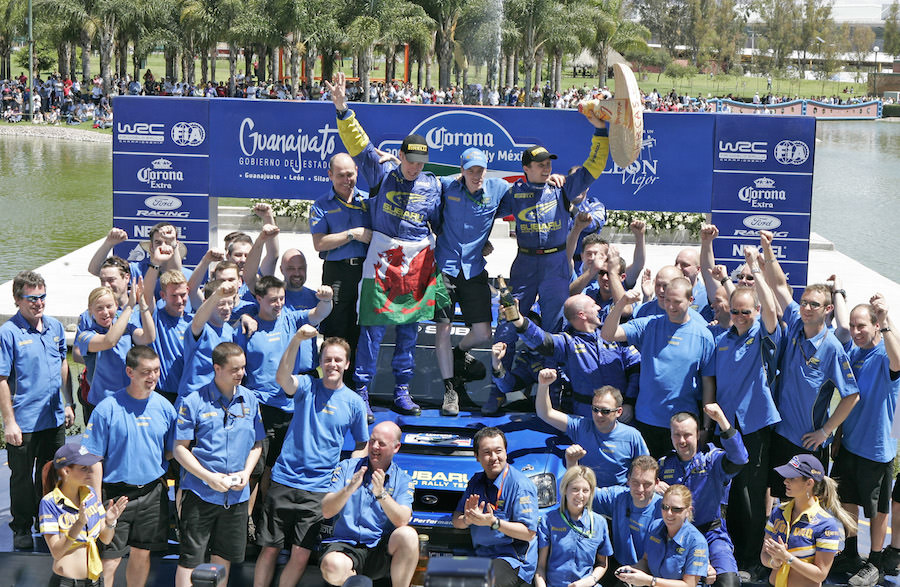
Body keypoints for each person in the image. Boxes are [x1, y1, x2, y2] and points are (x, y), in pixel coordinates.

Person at [327, 71, 443, 417]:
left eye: (419, 163)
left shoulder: (433, 185)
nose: (413, 168)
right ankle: (361, 387)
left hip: (418, 261)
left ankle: (402, 390)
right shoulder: (382, 173)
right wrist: (343, 110)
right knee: (373, 329)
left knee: (409, 329)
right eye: (409, 161)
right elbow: (360, 144)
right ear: (401, 156)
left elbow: (442, 222)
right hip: (383, 258)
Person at [492, 110, 611, 377]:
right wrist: (482, 243)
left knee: (555, 326)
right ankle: (499, 387)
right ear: (525, 168)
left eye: (548, 163)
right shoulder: (514, 193)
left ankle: (552, 386)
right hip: (525, 263)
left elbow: (594, 167)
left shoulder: (562, 189)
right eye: (540, 164)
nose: (546, 167)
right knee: (509, 319)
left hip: (556, 263)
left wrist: (601, 131)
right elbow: (481, 211)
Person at [253, 331, 369, 587]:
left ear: (347, 364)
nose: (333, 365)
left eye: (338, 360)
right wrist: (295, 341)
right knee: (269, 549)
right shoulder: (307, 385)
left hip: (319, 490)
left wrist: (346, 469)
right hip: (284, 480)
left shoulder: (354, 403)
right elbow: (282, 377)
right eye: (328, 359)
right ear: (321, 362)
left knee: (301, 553)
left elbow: (363, 444)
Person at [761, 229, 859, 492]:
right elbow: (779, 285)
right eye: (803, 302)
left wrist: (825, 432)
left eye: (813, 304)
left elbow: (851, 396)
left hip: (808, 443)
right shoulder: (794, 321)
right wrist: (767, 249)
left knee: (806, 507)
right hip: (780, 434)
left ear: (828, 310)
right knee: (779, 501)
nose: (805, 308)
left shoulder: (833, 349)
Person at [710, 246, 781, 574]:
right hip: (723, 428)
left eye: (745, 312)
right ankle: (728, 550)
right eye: (735, 312)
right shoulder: (722, 339)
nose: (739, 317)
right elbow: (711, 381)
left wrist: (756, 267)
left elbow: (771, 310)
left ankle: (751, 557)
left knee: (751, 494)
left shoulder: (763, 335)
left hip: (752, 426)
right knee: (728, 490)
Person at [81, 345, 177, 587]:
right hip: (115, 496)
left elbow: (171, 449)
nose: (153, 376)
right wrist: (94, 499)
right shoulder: (107, 408)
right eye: (146, 372)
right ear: (130, 372)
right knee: (110, 558)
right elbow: (92, 459)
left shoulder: (166, 408)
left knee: (142, 553)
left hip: (153, 493)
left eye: (156, 370)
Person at [173, 343, 265, 587]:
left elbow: (257, 445)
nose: (241, 373)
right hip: (200, 493)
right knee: (190, 560)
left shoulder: (251, 399)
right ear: (217, 368)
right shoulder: (193, 401)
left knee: (223, 559)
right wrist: (208, 477)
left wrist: (246, 473)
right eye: (235, 369)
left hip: (236, 497)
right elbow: (180, 448)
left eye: (243, 368)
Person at [829, 291, 900, 583]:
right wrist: (837, 435)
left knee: (877, 510)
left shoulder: (886, 353)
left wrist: (885, 320)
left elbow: (899, 362)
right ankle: (848, 552)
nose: (856, 332)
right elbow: (848, 395)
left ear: (874, 327)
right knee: (847, 502)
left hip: (877, 448)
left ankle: (874, 560)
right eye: (853, 326)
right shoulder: (853, 353)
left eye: (862, 327)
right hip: (849, 444)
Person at [0, 271, 75, 550]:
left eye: (42, 297)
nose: (39, 303)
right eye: (32, 298)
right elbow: (2, 379)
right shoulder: (8, 333)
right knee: (21, 476)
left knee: (51, 473)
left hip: (53, 416)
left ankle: (49, 522)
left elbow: (62, 365)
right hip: (24, 420)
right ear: (18, 299)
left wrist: (69, 403)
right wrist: (9, 422)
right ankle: (21, 526)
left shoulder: (55, 327)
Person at [601, 277, 716, 458]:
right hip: (647, 420)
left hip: (683, 425)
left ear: (690, 300)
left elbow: (708, 383)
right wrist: (622, 302)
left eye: (677, 301)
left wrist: (706, 427)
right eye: (667, 300)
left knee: (679, 484)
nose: (670, 306)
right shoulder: (649, 325)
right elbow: (608, 334)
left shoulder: (704, 335)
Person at [509, 287, 640, 420]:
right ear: (582, 314)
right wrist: (517, 320)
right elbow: (540, 340)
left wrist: (630, 402)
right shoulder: (567, 343)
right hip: (586, 417)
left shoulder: (614, 336)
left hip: (621, 414)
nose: (599, 308)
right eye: (593, 305)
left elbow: (636, 367)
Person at [319, 421, 418, 587]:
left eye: (382, 444)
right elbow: (326, 511)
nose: (374, 447)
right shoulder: (347, 468)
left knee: (408, 535)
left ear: (396, 447)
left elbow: (402, 520)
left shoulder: (403, 479)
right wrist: (349, 489)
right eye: (372, 441)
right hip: (346, 544)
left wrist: (382, 494)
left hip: (379, 547)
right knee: (332, 565)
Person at [658, 407, 748, 587]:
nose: (682, 441)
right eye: (677, 435)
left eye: (687, 435)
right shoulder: (663, 465)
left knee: (728, 582)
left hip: (712, 534)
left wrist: (722, 420)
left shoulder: (713, 460)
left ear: (698, 434)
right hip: (677, 536)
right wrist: (653, 486)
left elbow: (739, 458)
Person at [310, 152, 373, 384]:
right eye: (340, 176)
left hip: (365, 271)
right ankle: (330, 382)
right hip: (336, 271)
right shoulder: (321, 205)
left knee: (361, 328)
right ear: (330, 175)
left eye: (350, 174)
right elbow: (319, 243)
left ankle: (357, 385)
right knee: (336, 328)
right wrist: (352, 234)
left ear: (357, 171)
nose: (347, 180)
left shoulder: (369, 201)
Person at [452, 427, 539, 587]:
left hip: (512, 560)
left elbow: (529, 533)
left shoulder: (520, 485)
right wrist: (468, 519)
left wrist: (494, 522)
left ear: (506, 452)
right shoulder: (476, 481)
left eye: (498, 451)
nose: (494, 458)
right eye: (486, 452)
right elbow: (457, 520)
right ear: (477, 456)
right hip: (480, 555)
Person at [536, 368, 647, 487]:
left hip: (618, 496)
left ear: (619, 412)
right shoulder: (581, 426)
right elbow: (545, 413)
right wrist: (543, 385)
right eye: (595, 409)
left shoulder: (632, 436)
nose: (599, 415)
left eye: (605, 411)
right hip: (586, 493)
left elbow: (645, 468)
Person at [39, 444, 128, 587]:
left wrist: (110, 522)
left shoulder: (90, 494)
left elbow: (105, 539)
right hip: (67, 583)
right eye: (83, 468)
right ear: (66, 471)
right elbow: (56, 552)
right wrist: (79, 523)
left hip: (95, 581)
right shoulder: (50, 503)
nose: (90, 472)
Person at [762, 455, 855, 587]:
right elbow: (764, 555)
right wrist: (775, 562)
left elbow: (820, 574)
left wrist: (787, 558)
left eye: (792, 478)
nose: (785, 481)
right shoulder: (778, 512)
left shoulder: (826, 525)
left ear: (809, 483)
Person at [75, 283, 155, 413]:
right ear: (91, 310)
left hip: (128, 399)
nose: (105, 312)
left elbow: (149, 337)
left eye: (109, 306)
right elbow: (109, 341)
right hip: (101, 403)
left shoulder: (126, 326)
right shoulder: (86, 335)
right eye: (99, 308)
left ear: (116, 306)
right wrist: (129, 307)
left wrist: (143, 305)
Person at [614, 485, 708, 587]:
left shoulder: (697, 542)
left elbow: (689, 585)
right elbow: (645, 561)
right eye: (665, 507)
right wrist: (631, 571)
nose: (669, 513)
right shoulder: (655, 527)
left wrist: (650, 581)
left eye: (676, 509)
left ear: (688, 511)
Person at [535, 466, 612, 587]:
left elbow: (602, 564)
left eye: (585, 490)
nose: (580, 495)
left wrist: (591, 580)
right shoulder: (549, 520)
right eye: (575, 489)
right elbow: (540, 567)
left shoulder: (599, 523)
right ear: (565, 489)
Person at [593, 456, 662, 585]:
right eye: (635, 482)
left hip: (649, 574)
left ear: (657, 483)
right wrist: (572, 462)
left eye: (647, 484)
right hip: (619, 568)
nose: (640, 489)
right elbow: (583, 492)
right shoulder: (618, 497)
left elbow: (686, 536)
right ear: (628, 480)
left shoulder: (665, 509)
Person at [143, 249, 192, 403]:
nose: (179, 300)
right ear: (163, 296)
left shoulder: (194, 321)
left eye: (183, 295)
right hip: (161, 394)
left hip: (189, 396)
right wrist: (155, 263)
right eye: (173, 296)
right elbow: (146, 295)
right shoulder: (156, 317)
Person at [177, 279, 237, 399]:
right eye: (221, 303)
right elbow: (197, 323)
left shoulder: (229, 330)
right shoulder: (199, 327)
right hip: (194, 399)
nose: (226, 308)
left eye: (230, 303)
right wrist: (216, 295)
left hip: (218, 400)